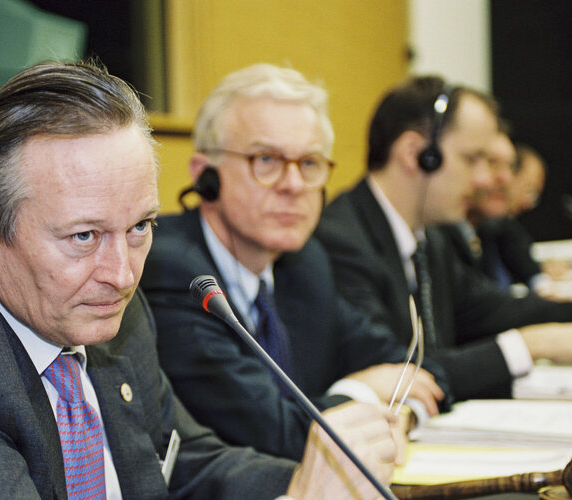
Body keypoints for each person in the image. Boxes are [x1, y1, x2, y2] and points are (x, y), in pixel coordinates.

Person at [0, 61, 408, 500]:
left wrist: (337, 479)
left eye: (141, 227)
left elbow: (184, 464)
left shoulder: (102, 306)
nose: (122, 275)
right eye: (83, 236)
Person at [140, 64, 450, 466]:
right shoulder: (172, 271)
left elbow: (415, 371)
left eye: (308, 164)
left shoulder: (305, 263)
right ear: (205, 176)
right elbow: (276, 433)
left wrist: (397, 405)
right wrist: (361, 393)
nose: (294, 185)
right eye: (266, 159)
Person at [315, 75, 572, 402]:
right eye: (472, 159)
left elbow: (495, 310)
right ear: (417, 153)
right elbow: (397, 372)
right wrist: (534, 345)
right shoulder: (340, 240)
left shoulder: (431, 238)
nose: (484, 180)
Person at [440, 127, 545, 291]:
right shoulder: (439, 239)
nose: (506, 179)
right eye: (492, 163)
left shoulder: (484, 231)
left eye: (510, 167)